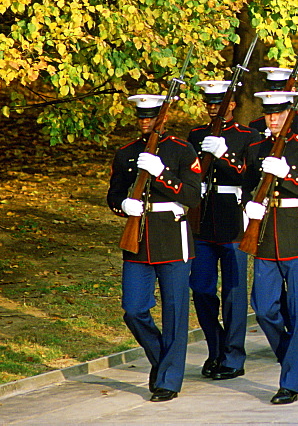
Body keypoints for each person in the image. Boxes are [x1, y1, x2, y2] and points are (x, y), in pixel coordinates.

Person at [107, 94, 201, 402]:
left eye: (151, 117)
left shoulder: (181, 150)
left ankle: (169, 380)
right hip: (138, 238)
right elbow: (114, 193)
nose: (145, 122)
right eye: (141, 117)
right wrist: (123, 204)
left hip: (172, 237)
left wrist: (162, 174)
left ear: (162, 119)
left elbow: (192, 196)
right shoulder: (126, 153)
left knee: (174, 311)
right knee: (133, 309)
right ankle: (163, 360)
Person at [243, 90, 298, 404]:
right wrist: (247, 207)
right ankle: (292, 357)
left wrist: (289, 176)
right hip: (265, 234)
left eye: (279, 113)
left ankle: (290, 382)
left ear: (290, 114)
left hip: (295, 234)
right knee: (263, 308)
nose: (273, 118)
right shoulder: (258, 147)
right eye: (269, 113)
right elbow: (248, 184)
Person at [187, 81, 260, 381]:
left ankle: (233, 356)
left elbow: (251, 177)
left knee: (233, 293)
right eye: (209, 102)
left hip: (232, 219)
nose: (214, 107)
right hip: (203, 220)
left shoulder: (247, 136)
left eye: (220, 102)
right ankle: (216, 347)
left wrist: (225, 155)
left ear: (231, 104)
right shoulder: (196, 135)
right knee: (201, 288)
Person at [249, 67, 298, 136]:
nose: (274, 93)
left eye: (280, 90)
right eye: (271, 90)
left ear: (292, 91)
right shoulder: (256, 125)